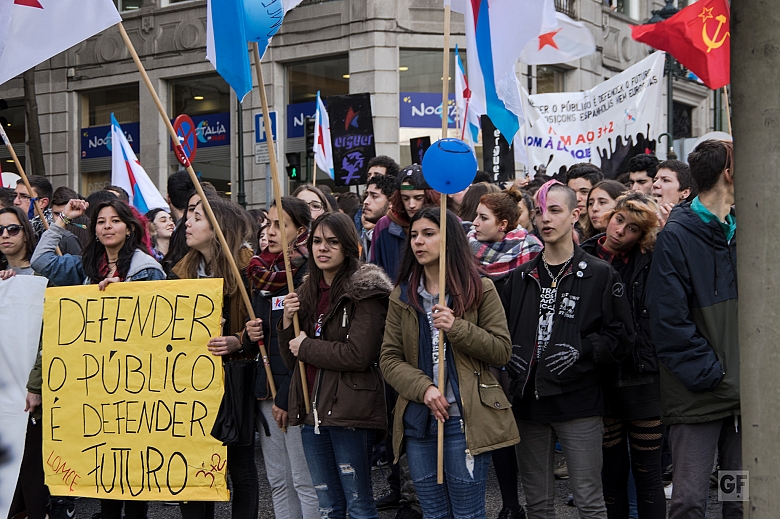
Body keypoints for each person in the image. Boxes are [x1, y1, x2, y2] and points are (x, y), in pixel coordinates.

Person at [501, 180, 634, 519]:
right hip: (528, 403)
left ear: (575, 215)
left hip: (579, 402)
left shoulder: (600, 274)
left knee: (589, 502)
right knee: (538, 504)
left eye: (555, 211)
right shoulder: (520, 277)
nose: (545, 219)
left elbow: (622, 338)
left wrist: (583, 349)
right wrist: (509, 360)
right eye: (539, 211)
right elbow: (500, 335)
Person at [380, 207, 518, 519]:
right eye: (414, 235)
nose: (418, 242)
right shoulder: (400, 296)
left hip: (464, 421)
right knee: (433, 513)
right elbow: (388, 359)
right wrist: (424, 388)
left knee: (468, 513)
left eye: (428, 234)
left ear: (449, 240)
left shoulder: (480, 289)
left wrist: (457, 327)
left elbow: (501, 350)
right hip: (419, 420)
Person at [30, 198, 164, 519]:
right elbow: (40, 261)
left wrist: (125, 297)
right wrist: (63, 218)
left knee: (132, 470)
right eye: (100, 221)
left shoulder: (146, 269)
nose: (107, 226)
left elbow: (158, 326)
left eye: (115, 220)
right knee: (107, 470)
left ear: (129, 229)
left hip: (135, 387)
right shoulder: (86, 267)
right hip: (100, 388)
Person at [646, 139, 740, 519]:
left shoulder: (745, 228)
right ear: (728, 174)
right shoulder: (677, 235)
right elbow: (668, 321)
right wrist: (712, 372)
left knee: (740, 497)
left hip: (742, 400)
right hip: (697, 397)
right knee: (688, 500)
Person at [279, 212, 392, 519]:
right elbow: (293, 360)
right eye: (316, 241)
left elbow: (358, 354)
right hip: (312, 410)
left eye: (332, 242)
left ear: (348, 247)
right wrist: (288, 323)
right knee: (328, 507)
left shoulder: (364, 292)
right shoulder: (306, 292)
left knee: (358, 503)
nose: (322, 248)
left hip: (350, 411)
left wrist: (306, 346)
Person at [171, 194, 260, 519]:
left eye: (197, 216)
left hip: (233, 381)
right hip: (190, 385)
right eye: (189, 215)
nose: (187, 223)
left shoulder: (248, 267)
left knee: (240, 465)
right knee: (195, 462)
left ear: (219, 225)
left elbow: (260, 325)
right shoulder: (180, 272)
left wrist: (238, 341)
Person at [581, 193, 665, 519]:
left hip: (642, 375)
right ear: (612, 215)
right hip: (601, 377)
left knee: (648, 474)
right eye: (619, 220)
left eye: (632, 228)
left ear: (642, 235)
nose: (620, 231)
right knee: (611, 473)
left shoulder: (651, 259)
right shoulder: (584, 254)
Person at [245, 196, 319, 519]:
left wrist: (286, 397)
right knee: (278, 481)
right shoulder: (261, 272)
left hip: (295, 395)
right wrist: (248, 335)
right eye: (269, 224)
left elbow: (305, 347)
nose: (271, 232)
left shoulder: (307, 276)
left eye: (281, 225)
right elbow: (261, 343)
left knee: (305, 481)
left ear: (300, 231)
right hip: (266, 389)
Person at [469, 190, 542, 519]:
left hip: (524, 350)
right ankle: (510, 504)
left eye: (483, 217)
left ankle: (533, 501)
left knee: (527, 431)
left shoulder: (532, 251)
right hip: (484, 349)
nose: (475, 222)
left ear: (504, 224)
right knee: (497, 430)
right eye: (476, 215)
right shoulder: (466, 250)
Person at [371, 164, 440, 281]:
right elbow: (374, 269)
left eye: (418, 198)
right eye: (405, 198)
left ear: (429, 196)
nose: (411, 205)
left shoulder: (446, 221)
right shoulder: (384, 225)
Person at [651, 160, 697, 227]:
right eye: (655, 180)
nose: (655, 184)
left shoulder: (694, 226)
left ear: (685, 192)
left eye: (666, 180)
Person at [361, 173, 395, 261]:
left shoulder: (396, 236)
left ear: (391, 202)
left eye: (374, 196)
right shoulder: (368, 236)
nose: (366, 201)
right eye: (367, 195)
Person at [566, 163, 604, 240]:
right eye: (572, 192)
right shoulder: (562, 227)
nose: (577, 198)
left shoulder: (607, 227)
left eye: (584, 192)